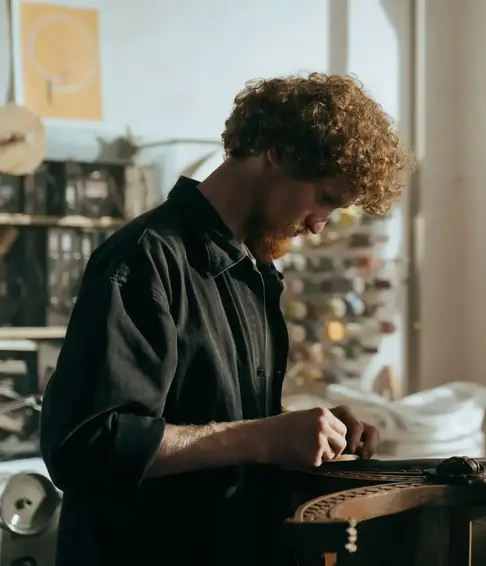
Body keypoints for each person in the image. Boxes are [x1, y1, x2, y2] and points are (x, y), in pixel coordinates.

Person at [39, 73, 413, 566]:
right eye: (324, 197)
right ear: (275, 152)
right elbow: (86, 447)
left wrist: (305, 435)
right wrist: (265, 437)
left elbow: (216, 430)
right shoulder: (145, 259)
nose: (320, 223)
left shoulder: (255, 273)